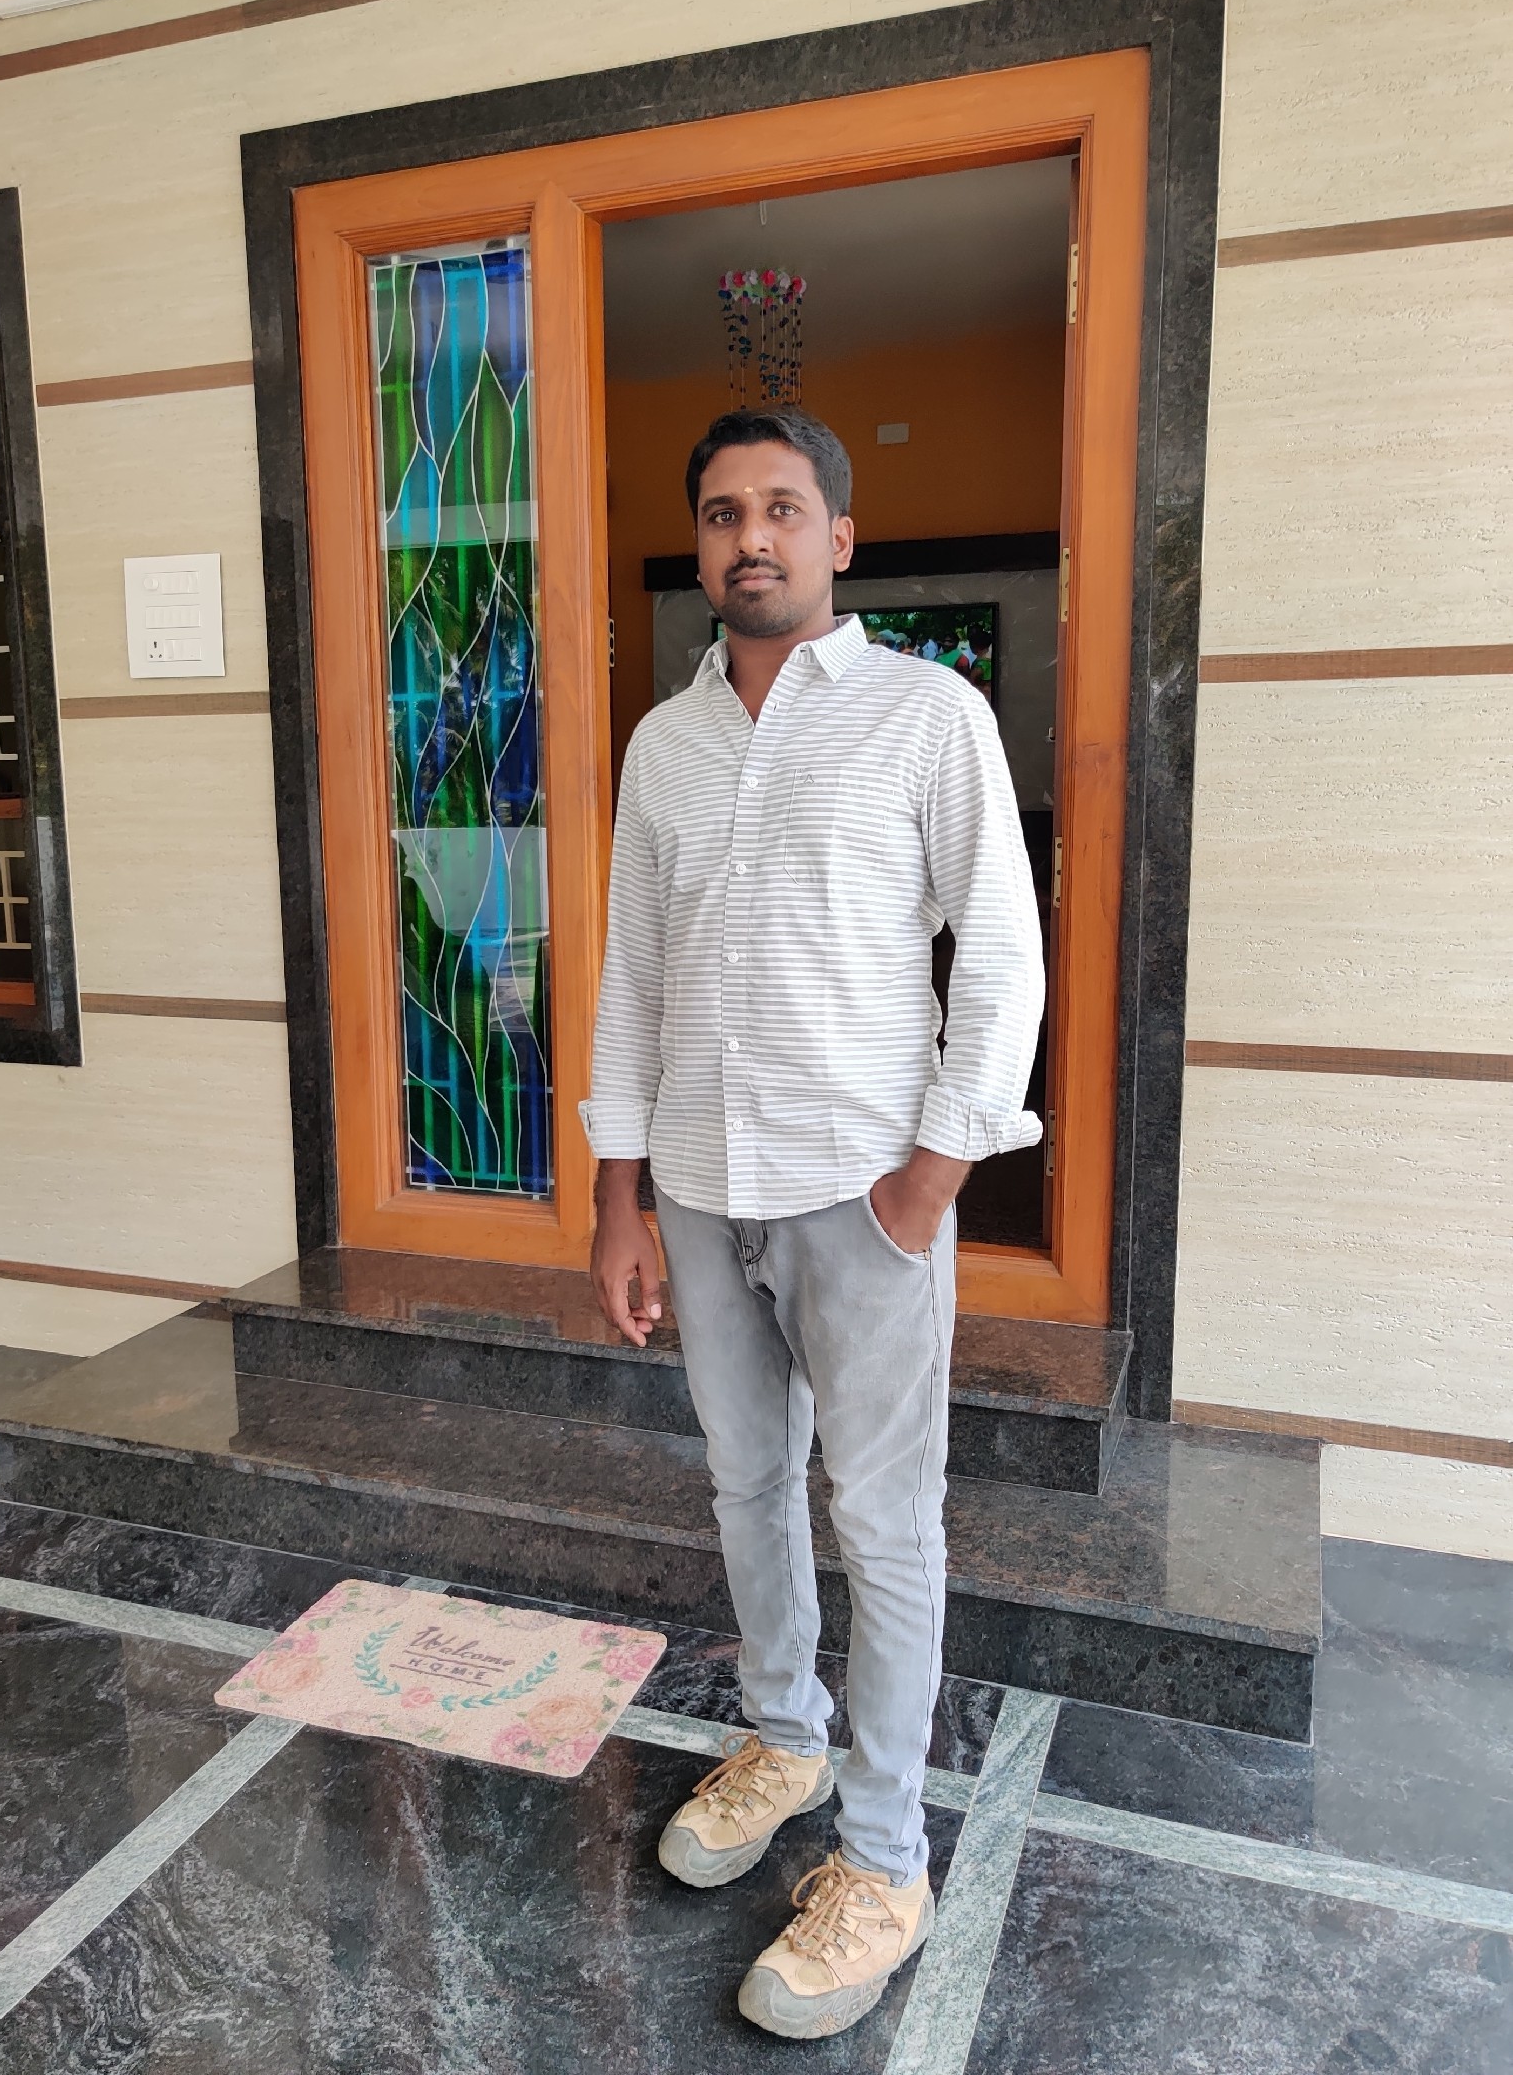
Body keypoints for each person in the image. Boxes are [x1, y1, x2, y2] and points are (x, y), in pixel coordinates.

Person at [579, 407, 1044, 2041]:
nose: (751, 536)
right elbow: (633, 979)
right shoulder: (664, 746)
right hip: (704, 1190)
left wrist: (932, 1177)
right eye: (723, 514)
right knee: (745, 1483)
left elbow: (1001, 956)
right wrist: (621, 1198)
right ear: (702, 546)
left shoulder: (928, 716)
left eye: (783, 508)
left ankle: (886, 1859)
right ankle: (783, 1737)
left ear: (840, 537)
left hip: (864, 1197)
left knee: (886, 1524)